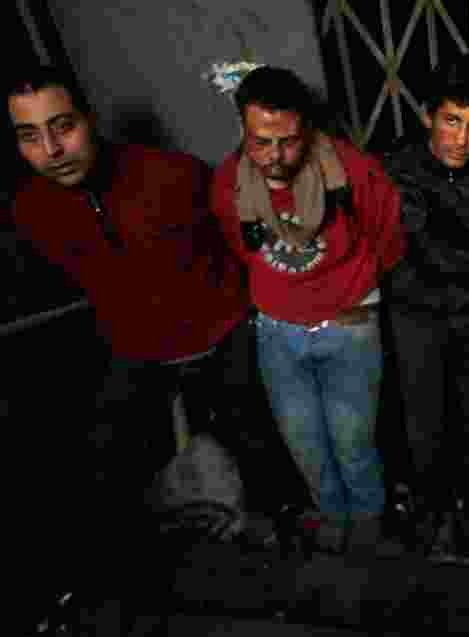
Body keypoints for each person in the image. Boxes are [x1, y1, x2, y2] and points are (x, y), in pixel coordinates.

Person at [7, 65, 251, 525]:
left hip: (225, 336)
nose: (53, 150)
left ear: (90, 119)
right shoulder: (30, 210)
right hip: (139, 352)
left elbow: (245, 249)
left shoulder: (175, 175)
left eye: (64, 127)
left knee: (263, 442)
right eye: (30, 136)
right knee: (97, 461)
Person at [209, 66, 405, 553]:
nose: (275, 157)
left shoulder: (351, 170)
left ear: (309, 129)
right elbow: (237, 244)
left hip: (348, 330)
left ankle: (369, 529)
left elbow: (389, 235)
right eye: (261, 142)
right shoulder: (230, 181)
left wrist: (347, 291)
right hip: (278, 334)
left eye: (289, 142)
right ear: (242, 129)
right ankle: (333, 525)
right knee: (307, 448)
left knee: (354, 445)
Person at [381, 54, 469, 555]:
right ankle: (430, 502)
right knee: (422, 420)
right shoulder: (396, 168)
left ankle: (468, 503)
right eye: (451, 121)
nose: (461, 139)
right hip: (415, 314)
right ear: (428, 117)